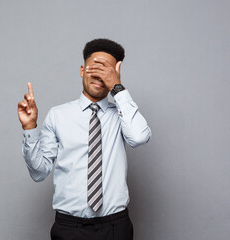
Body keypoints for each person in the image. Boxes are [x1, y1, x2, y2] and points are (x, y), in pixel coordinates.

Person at [17, 38, 151, 240]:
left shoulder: (122, 114)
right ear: (82, 70)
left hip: (115, 227)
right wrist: (29, 128)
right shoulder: (58, 115)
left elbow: (139, 137)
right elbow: (38, 172)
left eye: (106, 70)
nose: (98, 75)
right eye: (93, 69)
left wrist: (118, 88)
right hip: (69, 228)